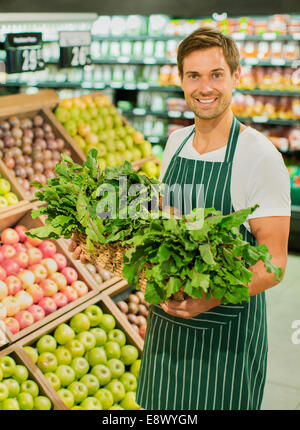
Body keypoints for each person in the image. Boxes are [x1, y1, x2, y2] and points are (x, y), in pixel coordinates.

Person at [69, 27, 291, 410]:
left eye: (216, 74)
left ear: (236, 76)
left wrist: (211, 297)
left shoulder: (260, 156)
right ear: (181, 80)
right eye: (194, 76)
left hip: (225, 342)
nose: (205, 87)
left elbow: (275, 263)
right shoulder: (176, 143)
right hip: (166, 332)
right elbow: (164, 225)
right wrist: (99, 240)